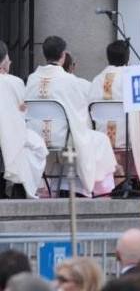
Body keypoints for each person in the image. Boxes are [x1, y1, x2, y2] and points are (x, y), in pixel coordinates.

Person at [25, 36, 117, 197]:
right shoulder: (69, 80)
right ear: (63, 55)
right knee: (99, 139)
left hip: (36, 138)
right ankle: (100, 189)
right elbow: (79, 114)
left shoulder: (32, 79)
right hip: (63, 137)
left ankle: (55, 185)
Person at [88, 41, 140, 187]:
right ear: (127, 59)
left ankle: (118, 176)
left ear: (108, 58)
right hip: (127, 135)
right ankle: (136, 178)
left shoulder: (96, 80)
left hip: (101, 136)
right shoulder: (132, 79)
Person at [0, 41, 48, 198]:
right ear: (4, 61)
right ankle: (20, 188)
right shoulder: (14, 82)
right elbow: (22, 112)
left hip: (8, 134)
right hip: (10, 133)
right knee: (36, 145)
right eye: (8, 57)